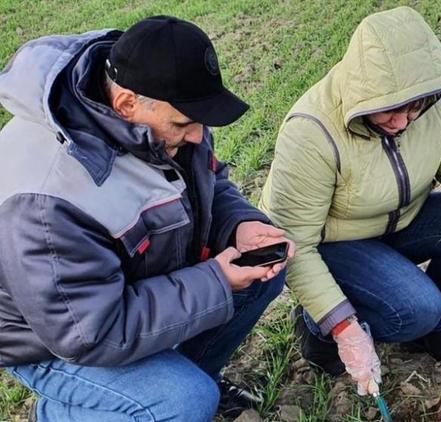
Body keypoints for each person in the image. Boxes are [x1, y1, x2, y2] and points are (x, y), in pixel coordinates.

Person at [0, 16, 295, 421]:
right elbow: (91, 334)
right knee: (183, 400)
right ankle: (62, 413)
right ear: (126, 105)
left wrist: (240, 225)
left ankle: (187, 377)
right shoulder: (47, 199)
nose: (197, 135)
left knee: (263, 276)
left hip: (119, 293)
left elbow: (207, 183)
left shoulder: (162, 121)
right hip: (51, 341)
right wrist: (217, 281)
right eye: (184, 124)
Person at [258, 6, 441, 396]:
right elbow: (294, 244)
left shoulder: (431, 100)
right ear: (364, 93)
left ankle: (430, 328)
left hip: (401, 220)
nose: (404, 122)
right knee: (415, 309)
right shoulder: (311, 132)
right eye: (391, 109)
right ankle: (315, 326)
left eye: (415, 107)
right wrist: (342, 327)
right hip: (333, 243)